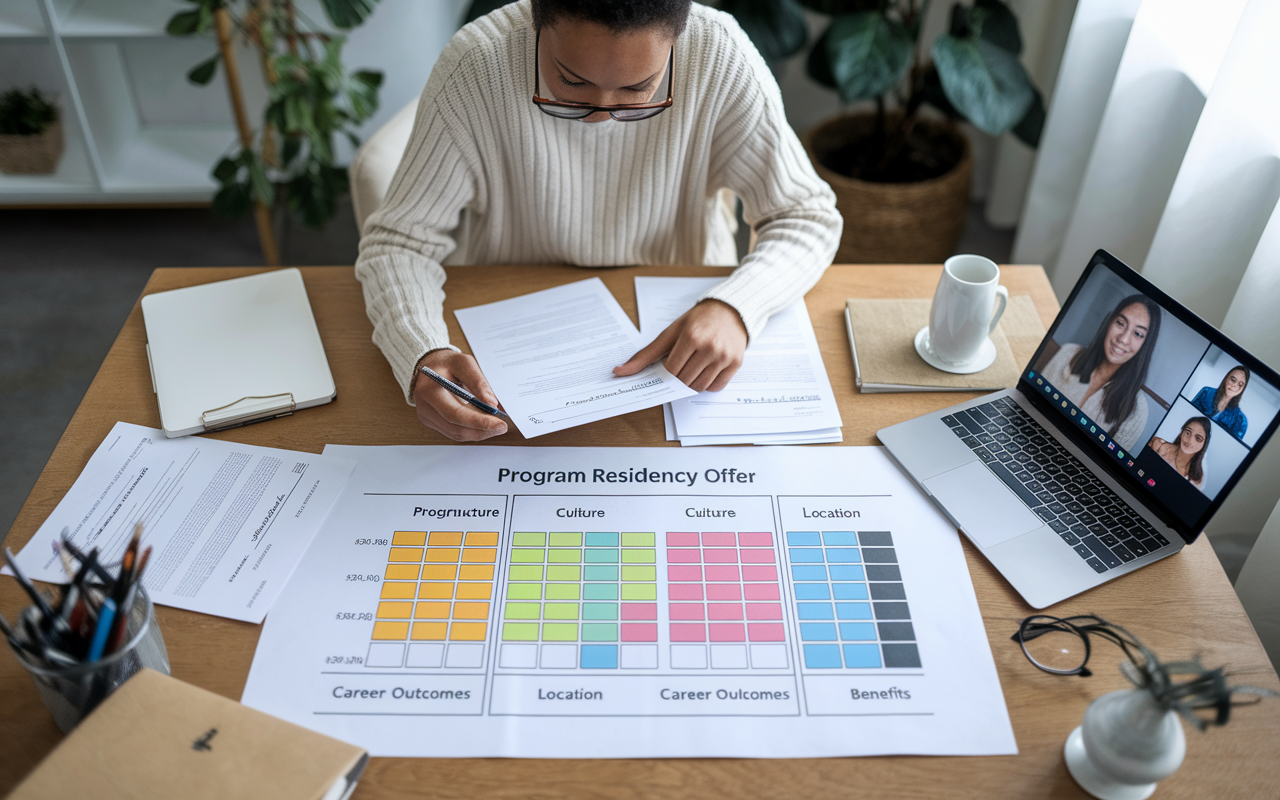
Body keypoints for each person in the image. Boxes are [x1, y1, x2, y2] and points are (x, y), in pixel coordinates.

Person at [355, 0, 840, 441]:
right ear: (536, 21)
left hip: (679, 343)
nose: (600, 115)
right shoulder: (477, 65)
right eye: (571, 82)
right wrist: (421, 351)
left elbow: (806, 216)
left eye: (638, 88)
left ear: (678, 37)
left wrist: (736, 306)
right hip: (507, 340)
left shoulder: (719, 56)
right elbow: (399, 243)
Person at [1039, 294, 1162, 452]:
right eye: (1120, 323)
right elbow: (1034, 403)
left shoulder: (1136, 409)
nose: (1123, 339)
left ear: (1145, 345)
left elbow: (1109, 466)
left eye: (1137, 334)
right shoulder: (1067, 353)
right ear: (1109, 322)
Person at [1147, 417, 1211, 492]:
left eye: (1198, 438)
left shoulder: (1198, 479)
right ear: (1182, 432)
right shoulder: (1157, 445)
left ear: (1204, 444)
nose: (1190, 441)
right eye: (1188, 432)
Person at [1189, 366, 1249, 441]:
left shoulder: (1241, 420)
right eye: (1233, 380)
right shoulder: (1206, 392)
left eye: (1240, 384)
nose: (1235, 385)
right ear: (1226, 379)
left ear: (1243, 389)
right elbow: (1187, 414)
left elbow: (1227, 447)